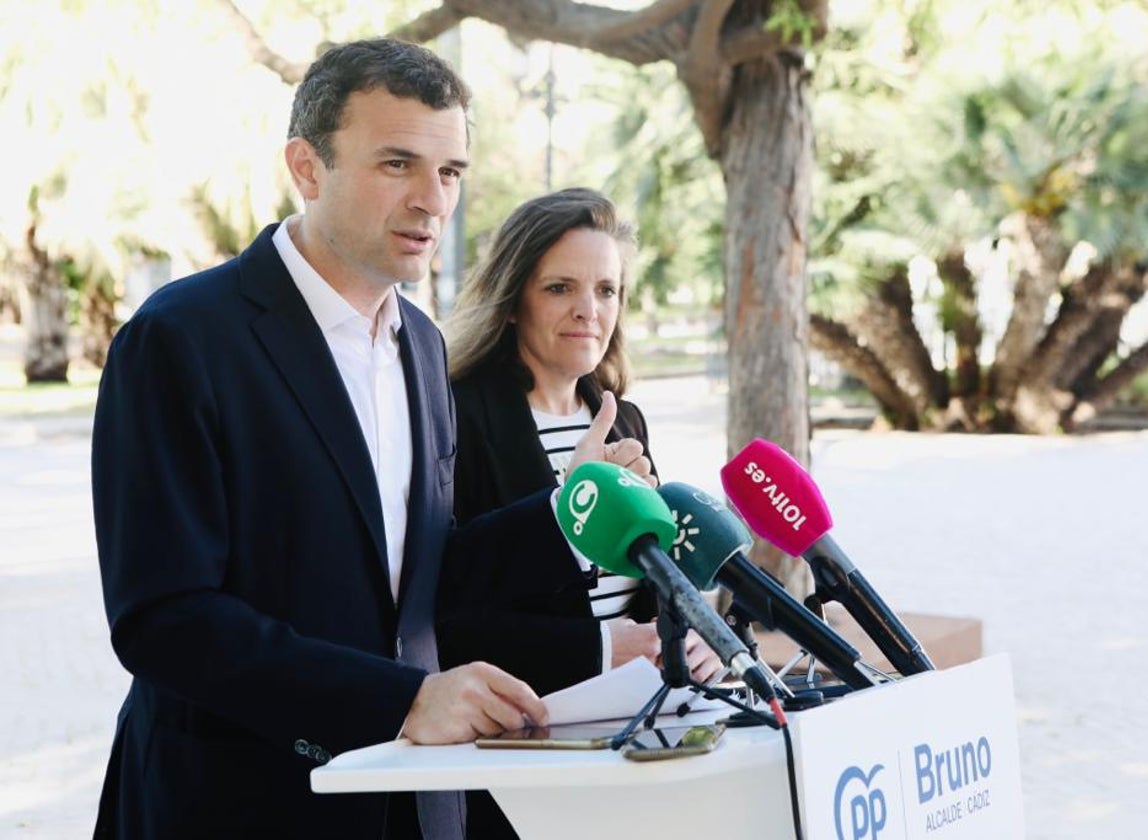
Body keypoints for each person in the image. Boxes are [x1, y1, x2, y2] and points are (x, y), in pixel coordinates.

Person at [90, 40, 650, 840]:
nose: (433, 201)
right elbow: (164, 619)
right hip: (237, 804)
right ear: (307, 167)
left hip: (415, 805)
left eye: (451, 171)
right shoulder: (180, 340)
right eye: (398, 164)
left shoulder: (421, 347)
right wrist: (401, 700)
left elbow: (424, 575)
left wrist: (563, 512)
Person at [438, 188, 721, 840]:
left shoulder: (624, 418)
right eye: (560, 288)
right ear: (513, 301)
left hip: (632, 742)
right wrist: (599, 649)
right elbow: (448, 612)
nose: (588, 311)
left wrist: (691, 632)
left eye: (607, 290)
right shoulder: (458, 416)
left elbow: (648, 585)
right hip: (515, 754)